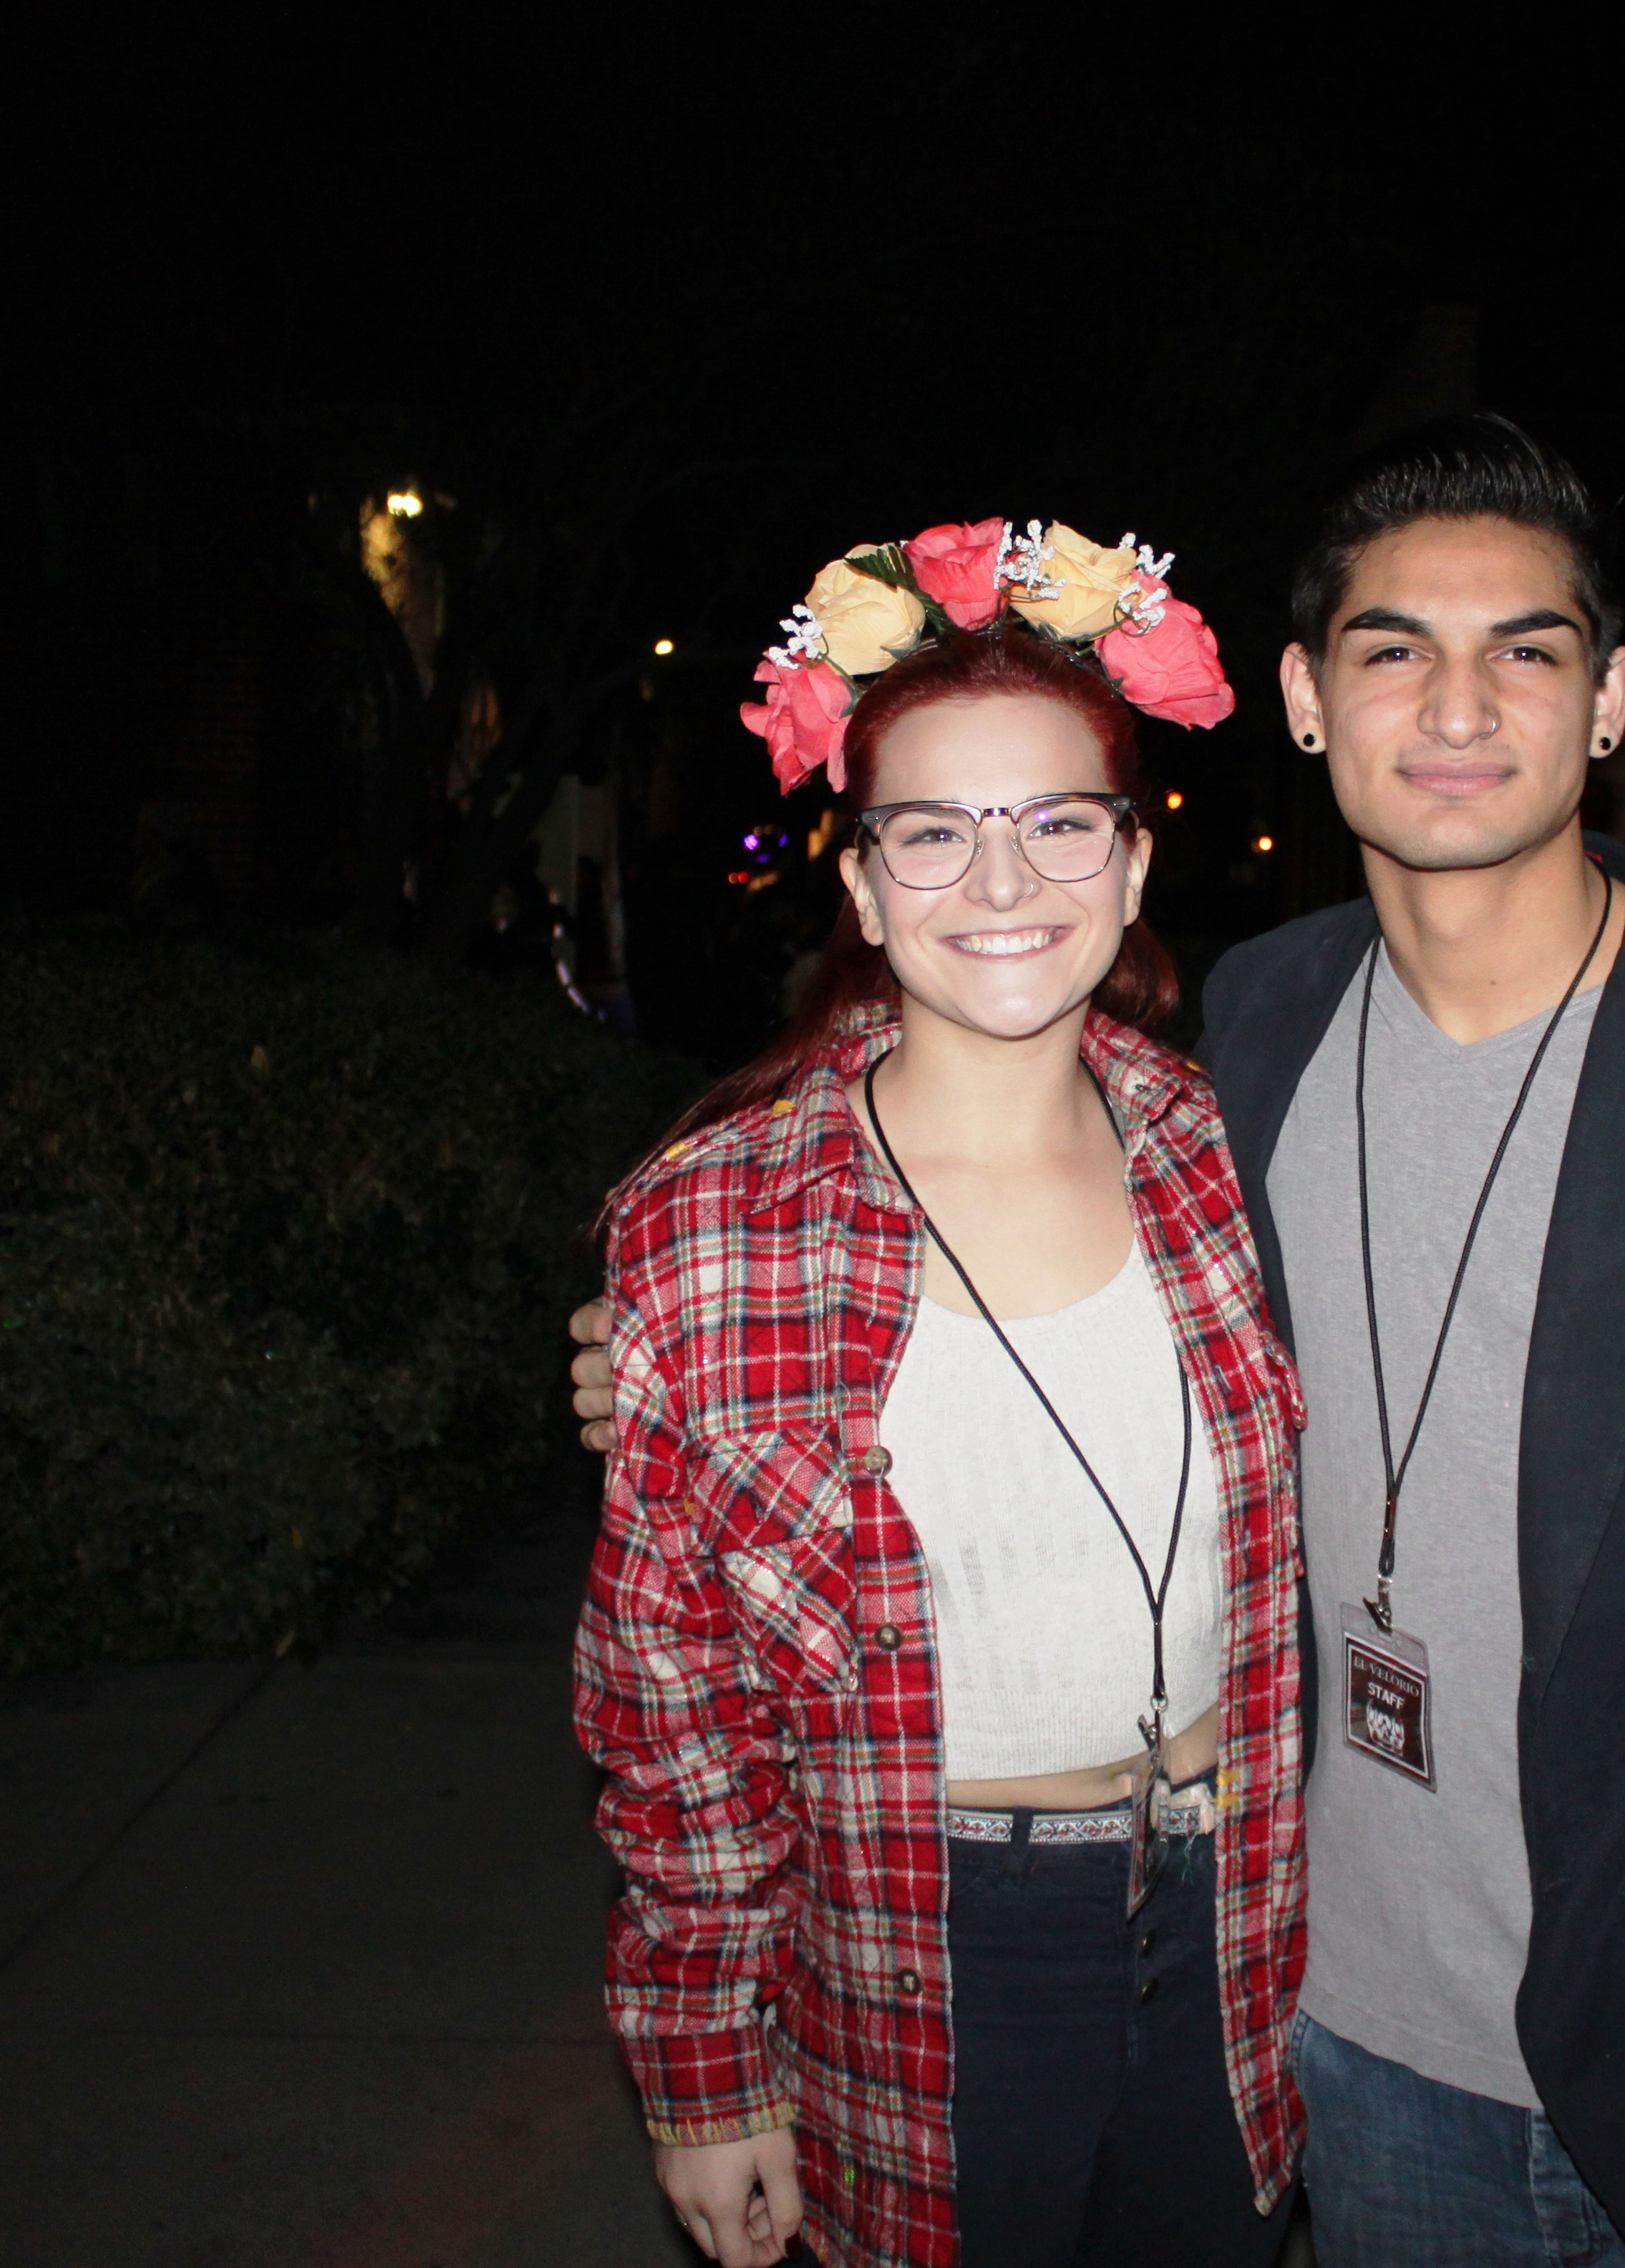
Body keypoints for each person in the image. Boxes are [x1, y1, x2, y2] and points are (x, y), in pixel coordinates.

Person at [580, 420, 1625, 2268]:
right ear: (1301, 699)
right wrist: (670, 1352)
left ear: (1610, 704)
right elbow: (945, 1215)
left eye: (1525, 651)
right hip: (1337, 2038)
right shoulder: (1251, 1038)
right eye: (1391, 649)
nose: (1457, 706)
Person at [572, 541, 1306, 2268]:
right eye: (932, 831)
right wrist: (706, 2071)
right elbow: (669, 1705)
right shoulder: (715, 1226)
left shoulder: (1235, 1157)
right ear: (860, 880)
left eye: (1057, 822)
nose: (1001, 878)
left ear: (1133, 862)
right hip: (925, 1931)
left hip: (1241, 1920)